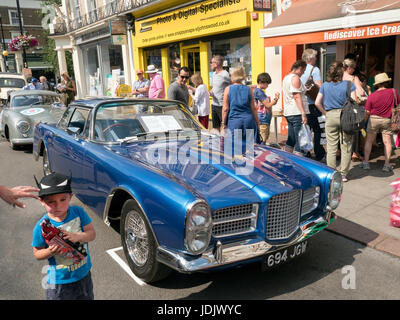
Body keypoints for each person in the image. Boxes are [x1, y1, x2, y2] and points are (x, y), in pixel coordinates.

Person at [32, 172, 96, 300]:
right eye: (51, 202)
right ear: (41, 201)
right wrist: (50, 251)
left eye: (63, 199)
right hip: (58, 282)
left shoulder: (78, 212)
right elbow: (37, 253)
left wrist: (78, 236)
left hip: (83, 275)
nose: (58, 205)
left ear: (70, 196)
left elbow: (92, 234)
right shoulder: (42, 226)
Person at [314, 61, 357, 182]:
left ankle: (331, 173)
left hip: (330, 116)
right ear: (342, 71)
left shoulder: (325, 86)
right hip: (345, 116)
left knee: (331, 147)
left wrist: (326, 113)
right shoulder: (348, 85)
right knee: (346, 145)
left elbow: (317, 102)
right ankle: (343, 174)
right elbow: (354, 102)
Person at [360, 72, 400, 173]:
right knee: (387, 142)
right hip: (387, 119)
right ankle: (386, 165)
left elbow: (367, 112)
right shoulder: (393, 92)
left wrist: (363, 122)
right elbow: (398, 106)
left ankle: (366, 163)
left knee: (369, 140)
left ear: (377, 84)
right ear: (386, 82)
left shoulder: (372, 96)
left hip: (373, 120)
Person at [221, 67, 259, 153]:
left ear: (233, 76)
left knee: (236, 150)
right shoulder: (249, 89)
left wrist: (223, 123)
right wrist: (257, 122)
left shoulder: (228, 89)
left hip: (235, 122)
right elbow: (253, 108)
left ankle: (238, 166)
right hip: (249, 121)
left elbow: (225, 109)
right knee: (250, 150)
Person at [300, 49, 326, 161]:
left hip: (302, 103)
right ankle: (319, 153)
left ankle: (305, 152)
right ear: (311, 58)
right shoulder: (315, 70)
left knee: (305, 129)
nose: (316, 58)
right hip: (313, 104)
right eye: (315, 57)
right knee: (318, 130)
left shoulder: (299, 69)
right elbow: (319, 86)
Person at [282, 60, 309, 156]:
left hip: (289, 112)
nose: (303, 73)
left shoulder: (286, 78)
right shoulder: (295, 78)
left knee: (291, 138)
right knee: (300, 141)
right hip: (297, 112)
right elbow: (296, 96)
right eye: (303, 70)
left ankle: (287, 159)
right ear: (300, 68)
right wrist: (303, 113)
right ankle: (299, 164)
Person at [343, 58, 367, 161]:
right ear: (349, 68)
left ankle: (342, 151)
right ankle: (355, 152)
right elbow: (361, 92)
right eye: (353, 68)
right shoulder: (353, 78)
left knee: (343, 129)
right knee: (356, 129)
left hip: (341, 105)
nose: (353, 70)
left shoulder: (339, 77)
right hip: (352, 105)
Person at [253, 72, 279, 144]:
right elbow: (268, 105)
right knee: (262, 141)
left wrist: (275, 100)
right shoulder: (259, 92)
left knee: (261, 139)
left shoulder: (257, 91)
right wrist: (276, 98)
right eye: (267, 83)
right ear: (261, 82)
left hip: (261, 120)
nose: (268, 85)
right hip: (262, 120)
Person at [210, 55, 231, 132]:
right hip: (214, 104)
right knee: (215, 128)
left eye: (211, 62)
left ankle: (225, 143)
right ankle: (218, 143)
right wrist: (210, 92)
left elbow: (231, 86)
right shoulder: (214, 74)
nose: (210, 64)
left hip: (222, 106)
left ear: (217, 63)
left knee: (225, 128)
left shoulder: (225, 74)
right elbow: (214, 87)